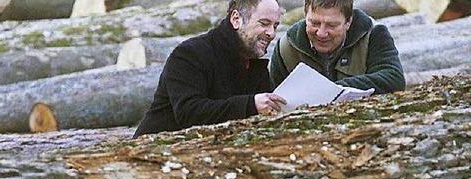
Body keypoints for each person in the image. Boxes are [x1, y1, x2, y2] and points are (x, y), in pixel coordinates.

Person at [133, 0, 286, 137]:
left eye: (275, 26)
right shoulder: (190, 54)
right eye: (264, 23)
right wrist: (251, 105)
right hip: (147, 155)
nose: (271, 33)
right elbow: (189, 112)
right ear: (236, 19)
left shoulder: (255, 67)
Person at [270, 0, 405, 94]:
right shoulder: (286, 46)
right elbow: (271, 96)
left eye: (331, 25)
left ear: (348, 22)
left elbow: (393, 79)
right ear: (305, 16)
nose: (321, 33)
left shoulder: (373, 34)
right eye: (314, 23)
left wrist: (334, 89)